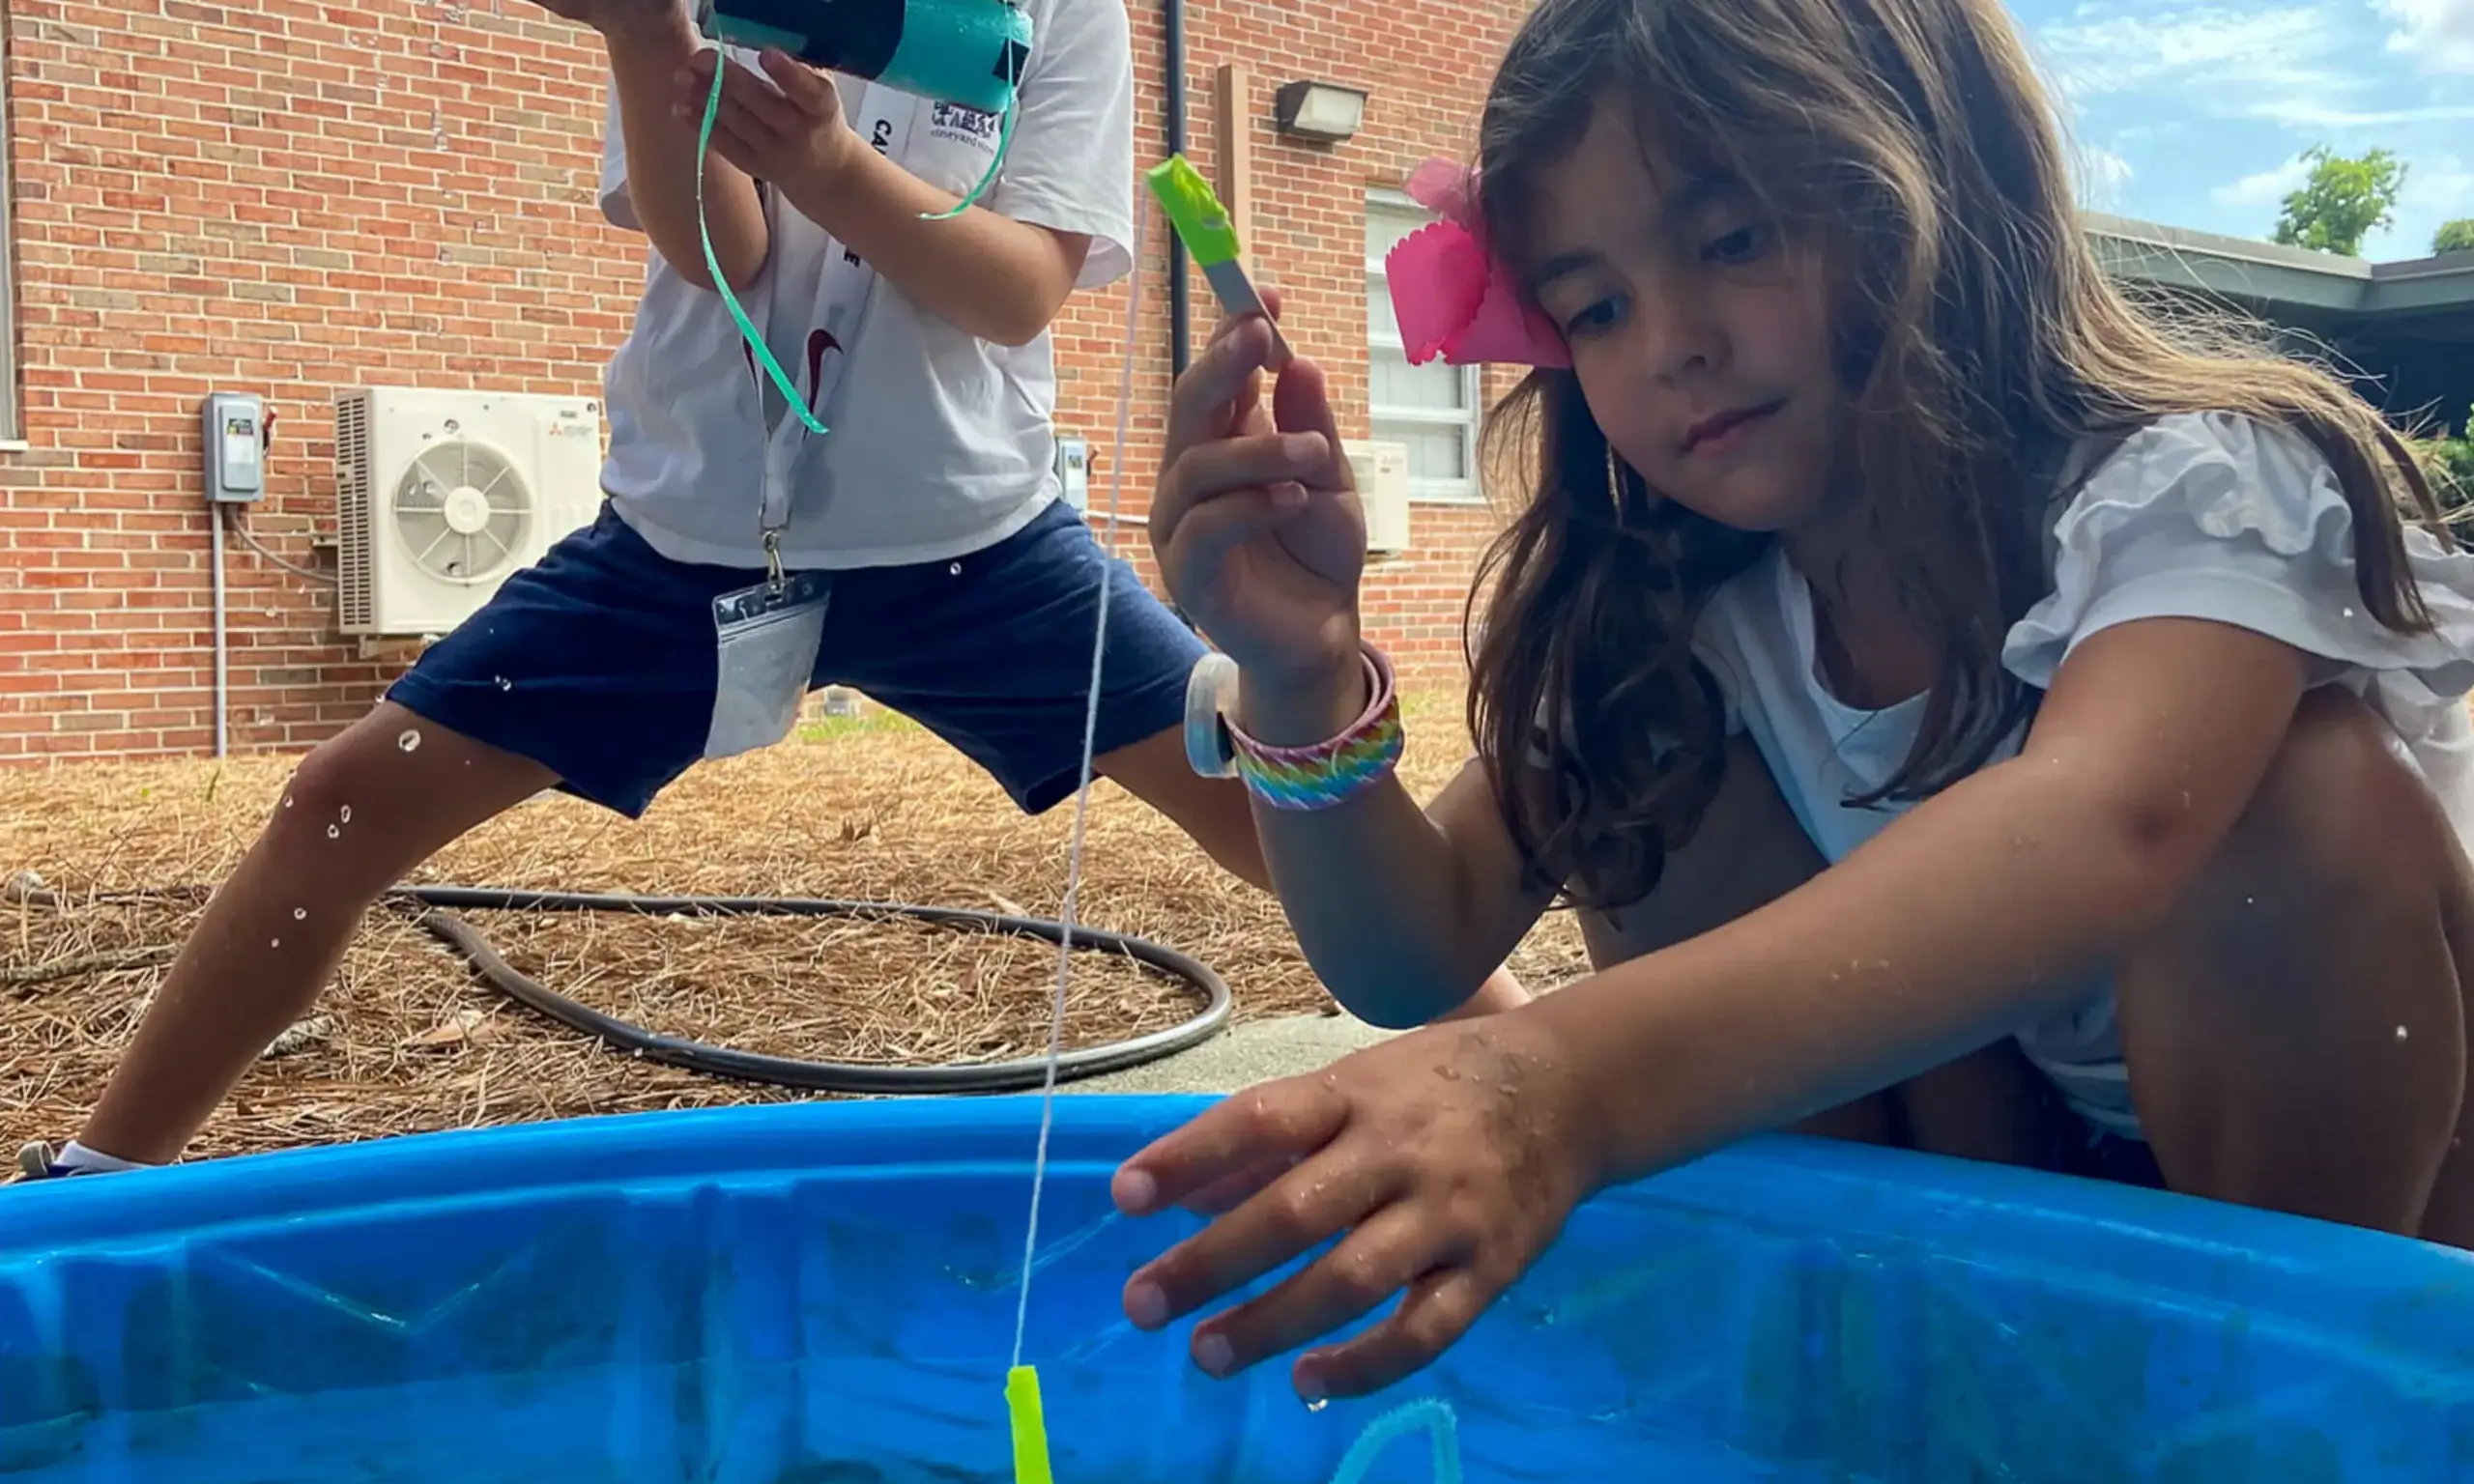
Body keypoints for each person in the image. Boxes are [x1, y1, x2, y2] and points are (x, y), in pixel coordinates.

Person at [1109, 0, 2474, 1405]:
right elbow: (1413, 947)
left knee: (2302, 801)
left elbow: (2103, 822)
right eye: (1597, 306)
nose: (1673, 343)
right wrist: (1296, 673)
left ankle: (2275, 1434)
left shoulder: (2193, 489)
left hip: (2346, 1224)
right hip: (2006, 1179)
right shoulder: (1696, 614)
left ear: (1933, 179)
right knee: (1663, 783)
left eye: (1737, 238)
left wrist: (1557, 1086)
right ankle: (1903, 1389)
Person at [16, 0, 1526, 1181]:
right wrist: (642, 35)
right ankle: (95, 1177)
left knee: (1265, 805)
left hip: (978, 543)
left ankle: (1557, 1074)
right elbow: (713, 247)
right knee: (341, 803)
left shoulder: (1047, 11)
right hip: (690, 536)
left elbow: (1017, 286)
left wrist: (830, 164)